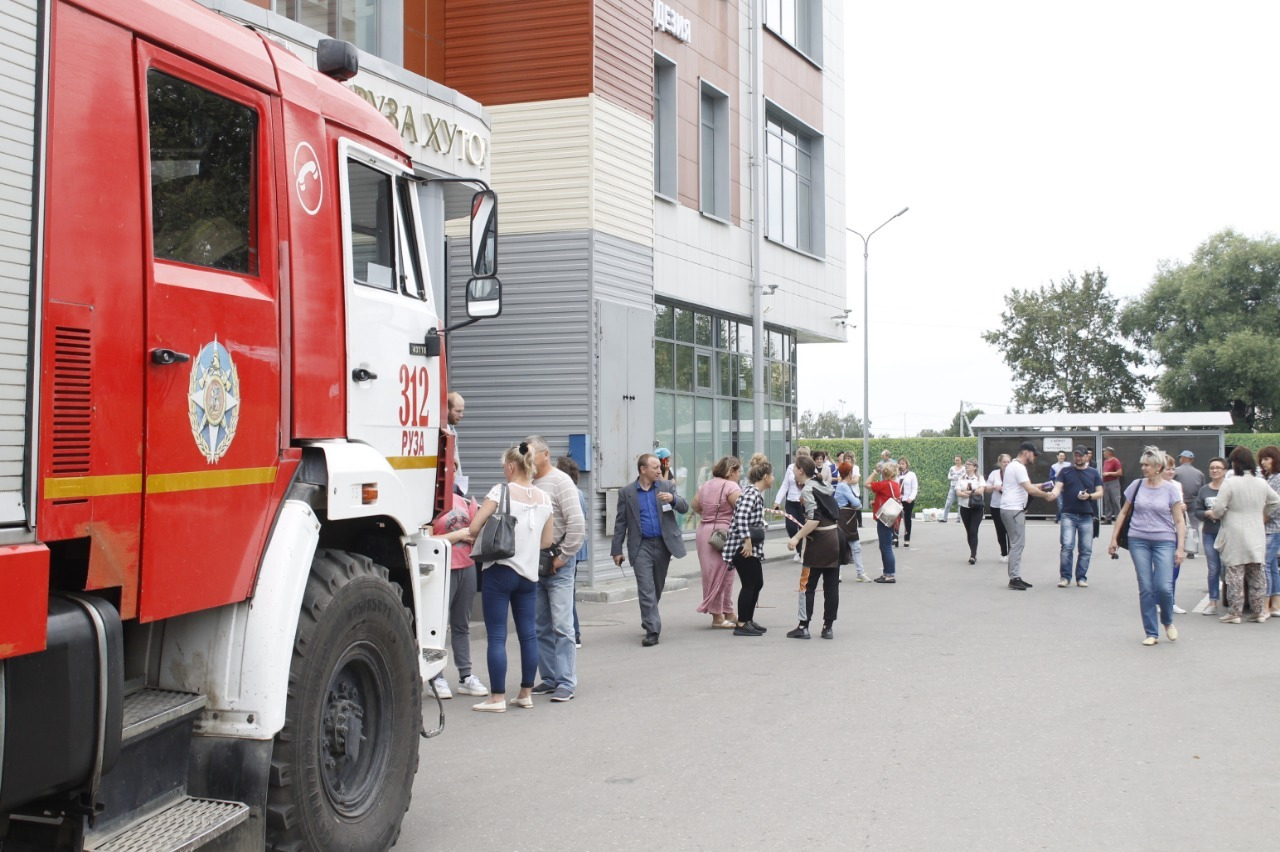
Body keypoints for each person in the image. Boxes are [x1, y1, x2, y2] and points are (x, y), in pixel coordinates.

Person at [466, 443, 553, 711]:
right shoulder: (544, 498)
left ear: (512, 466)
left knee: (497, 635)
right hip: (528, 575)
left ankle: (496, 697)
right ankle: (525, 693)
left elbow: (474, 526)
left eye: (504, 466)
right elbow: (546, 541)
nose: (503, 471)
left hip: (500, 570)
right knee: (528, 634)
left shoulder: (500, 491)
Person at [526, 436, 586, 703]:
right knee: (540, 625)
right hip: (534, 562)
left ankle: (565, 682)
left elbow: (577, 523)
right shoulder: (528, 482)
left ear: (545, 454)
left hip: (558, 562)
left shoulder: (561, 481)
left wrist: (563, 556)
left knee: (562, 625)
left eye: (530, 453)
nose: (526, 459)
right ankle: (549, 678)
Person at [1107, 447, 1186, 645]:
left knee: (1164, 587)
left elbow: (1179, 521)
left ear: (1158, 467)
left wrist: (1180, 548)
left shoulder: (1170, 489)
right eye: (1142, 464)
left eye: (1146, 465)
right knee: (1146, 587)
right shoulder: (1137, 485)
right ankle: (1151, 632)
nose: (1143, 468)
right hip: (1138, 539)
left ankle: (1167, 621)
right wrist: (1114, 539)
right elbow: (1124, 513)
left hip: (1164, 541)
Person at [611, 453, 689, 646]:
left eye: (659, 467)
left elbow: (684, 507)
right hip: (641, 545)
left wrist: (672, 499)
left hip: (663, 544)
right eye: (655, 467)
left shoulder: (666, 486)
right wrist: (616, 549)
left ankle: (648, 616)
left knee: (656, 587)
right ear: (642, 469)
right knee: (646, 588)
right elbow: (620, 523)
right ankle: (653, 630)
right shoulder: (627, 492)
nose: (659, 470)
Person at [1203, 446, 1279, 624]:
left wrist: (1215, 514)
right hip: (1256, 530)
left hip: (1234, 531)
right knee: (1257, 573)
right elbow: (1275, 501)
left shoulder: (1230, 483)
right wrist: (1263, 515)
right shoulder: (1261, 482)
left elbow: (1219, 509)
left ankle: (1235, 613)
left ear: (1235, 464)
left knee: (1235, 573)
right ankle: (1259, 611)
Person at [429, 492, 489, 700]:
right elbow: (425, 539)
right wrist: (458, 535)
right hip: (442, 568)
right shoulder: (429, 501)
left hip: (467, 566)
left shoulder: (463, 500)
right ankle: (435, 676)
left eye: (455, 465)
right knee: (436, 627)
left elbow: (475, 531)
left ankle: (466, 675)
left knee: (461, 624)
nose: (452, 469)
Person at [784, 455, 842, 640]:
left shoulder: (808, 489)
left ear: (801, 470)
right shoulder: (823, 484)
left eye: (794, 468)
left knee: (808, 586)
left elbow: (814, 519)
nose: (793, 471)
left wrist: (796, 537)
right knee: (831, 586)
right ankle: (828, 627)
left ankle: (804, 626)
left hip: (819, 542)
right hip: (834, 539)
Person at [723, 459, 774, 636]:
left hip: (749, 548)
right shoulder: (751, 494)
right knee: (749, 584)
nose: (773, 479)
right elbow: (741, 517)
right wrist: (747, 540)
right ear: (765, 476)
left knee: (756, 583)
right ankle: (743, 623)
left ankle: (748, 620)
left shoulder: (754, 494)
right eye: (772, 475)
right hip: (743, 548)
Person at [691, 456, 743, 628]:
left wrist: (709, 515)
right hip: (723, 533)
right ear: (731, 471)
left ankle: (727, 611)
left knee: (711, 574)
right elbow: (741, 508)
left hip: (705, 531)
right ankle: (718, 617)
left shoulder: (706, 484)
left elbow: (695, 504)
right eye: (738, 471)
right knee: (725, 574)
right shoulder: (731, 486)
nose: (739, 475)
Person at [1001, 441, 1056, 591]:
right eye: (1034, 454)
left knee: (1017, 543)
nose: (1035, 457)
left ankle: (1016, 576)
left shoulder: (1014, 466)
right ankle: (1014, 578)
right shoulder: (1018, 467)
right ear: (1026, 452)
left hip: (1011, 509)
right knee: (1017, 544)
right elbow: (1030, 490)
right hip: (1013, 509)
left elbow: (1028, 487)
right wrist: (1047, 495)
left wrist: (1043, 486)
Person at [1047, 445, 1103, 587]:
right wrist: (1053, 494)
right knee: (1067, 546)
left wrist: (1089, 496)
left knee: (1086, 549)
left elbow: (1100, 492)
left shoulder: (1094, 473)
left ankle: (1081, 578)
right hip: (1068, 514)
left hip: (1086, 515)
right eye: (1076, 455)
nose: (1078, 458)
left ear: (1086, 457)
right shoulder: (1065, 471)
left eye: (1080, 455)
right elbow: (1058, 486)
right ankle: (1065, 577)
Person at [556, 456, 589, 646]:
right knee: (569, 590)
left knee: (566, 592)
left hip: (569, 549)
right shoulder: (579, 493)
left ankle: (574, 633)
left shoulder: (571, 493)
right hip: (576, 548)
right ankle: (574, 632)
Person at [1193, 457, 1227, 616]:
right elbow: (1197, 511)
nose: (1215, 470)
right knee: (1213, 568)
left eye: (1218, 468)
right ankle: (1213, 601)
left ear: (1224, 470)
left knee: (1228, 568)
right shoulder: (1204, 490)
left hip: (1228, 533)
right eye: (1212, 467)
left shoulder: (1229, 488)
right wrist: (1208, 513)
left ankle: (1231, 598)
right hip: (1209, 533)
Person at [868, 461, 902, 583]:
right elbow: (886, 498)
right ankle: (887, 572)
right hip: (892, 518)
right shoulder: (895, 484)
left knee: (886, 547)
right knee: (885, 546)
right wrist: (876, 502)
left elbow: (867, 484)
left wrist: (875, 471)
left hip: (884, 518)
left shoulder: (885, 484)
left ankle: (890, 574)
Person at [834, 461, 869, 581]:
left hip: (843, 519)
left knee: (842, 546)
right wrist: (856, 504)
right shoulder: (844, 486)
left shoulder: (841, 485)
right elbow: (857, 504)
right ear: (849, 473)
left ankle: (839, 573)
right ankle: (860, 573)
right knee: (855, 547)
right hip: (847, 520)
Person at [1257, 446, 1280, 618]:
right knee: (1272, 567)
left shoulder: (1278, 478)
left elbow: (1276, 504)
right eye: (1262, 459)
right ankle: (1275, 605)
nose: (1264, 462)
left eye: (1267, 458)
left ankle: (1265, 606)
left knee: (1264, 564)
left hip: (1273, 527)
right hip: (1269, 527)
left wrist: (1263, 518)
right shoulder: (1269, 477)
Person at [772, 452, 807, 564]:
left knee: (802, 527)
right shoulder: (791, 468)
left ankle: (801, 552)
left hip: (803, 503)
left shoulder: (810, 468)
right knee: (791, 526)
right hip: (791, 501)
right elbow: (785, 485)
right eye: (799, 455)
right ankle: (797, 547)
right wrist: (778, 501)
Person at [1172, 451, 1204, 560]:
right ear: (1192, 460)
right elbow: (1202, 489)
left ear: (1182, 459)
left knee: (1177, 522)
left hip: (1179, 501)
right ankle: (1191, 550)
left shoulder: (1176, 471)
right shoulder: (1199, 473)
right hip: (1194, 500)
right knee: (1194, 525)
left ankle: (1176, 546)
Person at [956, 458, 985, 564]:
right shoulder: (961, 478)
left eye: (969, 464)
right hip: (965, 508)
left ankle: (973, 555)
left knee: (973, 530)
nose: (967, 466)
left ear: (975, 467)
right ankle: (973, 551)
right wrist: (973, 492)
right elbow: (958, 493)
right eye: (966, 464)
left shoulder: (979, 478)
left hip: (976, 508)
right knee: (969, 531)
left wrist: (966, 492)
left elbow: (981, 491)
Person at [986, 454, 1010, 561]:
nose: (1006, 464)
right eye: (1004, 462)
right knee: (1000, 530)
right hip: (996, 506)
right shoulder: (994, 474)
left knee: (1010, 530)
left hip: (1010, 506)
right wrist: (995, 487)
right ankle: (1004, 553)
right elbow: (987, 489)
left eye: (1008, 462)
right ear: (1000, 463)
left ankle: (1012, 553)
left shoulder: (1013, 473)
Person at [446, 391, 467, 494]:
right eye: (458, 411)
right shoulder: (443, 432)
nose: (461, 415)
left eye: (462, 411)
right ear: (446, 410)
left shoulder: (452, 430)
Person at [897, 457, 918, 547]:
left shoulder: (911, 475)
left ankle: (907, 539)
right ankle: (895, 538)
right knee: (896, 519)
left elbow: (914, 488)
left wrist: (911, 497)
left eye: (903, 464)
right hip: (897, 500)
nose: (901, 465)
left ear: (906, 465)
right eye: (900, 464)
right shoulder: (896, 475)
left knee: (907, 519)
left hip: (907, 500)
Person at [1101, 446, 1123, 522]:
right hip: (1105, 483)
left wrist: (1109, 473)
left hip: (1114, 482)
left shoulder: (1115, 461)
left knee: (1115, 500)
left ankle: (1118, 518)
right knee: (1107, 501)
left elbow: (1120, 472)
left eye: (1105, 452)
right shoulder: (1105, 461)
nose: (1104, 453)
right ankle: (1108, 518)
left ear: (1109, 453)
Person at [941, 455, 965, 524]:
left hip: (960, 488)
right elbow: (949, 477)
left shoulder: (963, 468)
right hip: (953, 487)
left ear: (961, 460)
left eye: (958, 460)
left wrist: (955, 477)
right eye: (956, 460)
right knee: (948, 503)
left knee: (960, 503)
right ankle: (944, 518)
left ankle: (958, 519)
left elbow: (963, 477)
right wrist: (956, 477)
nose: (957, 461)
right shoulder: (952, 468)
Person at [1050, 451, 1071, 523]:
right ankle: (1063, 519)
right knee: (1060, 504)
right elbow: (1051, 477)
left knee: (1066, 503)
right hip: (1058, 487)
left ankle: (1058, 517)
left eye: (1063, 456)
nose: (1062, 457)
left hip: (1067, 486)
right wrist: (1056, 474)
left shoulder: (1068, 465)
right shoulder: (1054, 466)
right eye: (1060, 456)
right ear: (1057, 456)